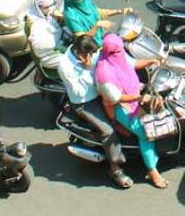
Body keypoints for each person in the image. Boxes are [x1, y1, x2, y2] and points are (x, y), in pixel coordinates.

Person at [56, 34, 131, 188]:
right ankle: (115, 169)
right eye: (89, 54)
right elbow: (78, 91)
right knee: (108, 131)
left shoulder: (90, 51)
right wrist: (89, 69)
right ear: (79, 53)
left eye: (93, 53)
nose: (92, 56)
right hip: (86, 102)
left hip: (103, 92)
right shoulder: (65, 66)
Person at [94, 33, 167, 189]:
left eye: (121, 50)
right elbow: (116, 98)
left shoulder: (117, 54)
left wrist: (152, 61)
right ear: (109, 52)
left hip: (135, 93)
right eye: (118, 51)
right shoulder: (104, 73)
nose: (121, 53)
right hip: (120, 106)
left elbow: (132, 63)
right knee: (145, 133)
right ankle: (152, 170)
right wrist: (139, 99)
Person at [61, 0, 128, 47]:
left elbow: (98, 12)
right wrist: (97, 25)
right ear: (72, 0)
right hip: (89, 48)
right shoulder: (70, 16)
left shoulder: (85, 1)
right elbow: (83, 39)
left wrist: (119, 11)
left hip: (100, 38)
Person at [26, 0, 63, 69]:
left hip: (59, 45)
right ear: (38, 7)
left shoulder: (45, 13)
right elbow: (41, 49)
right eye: (46, 7)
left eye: (51, 5)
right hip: (49, 57)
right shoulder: (36, 25)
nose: (50, 9)